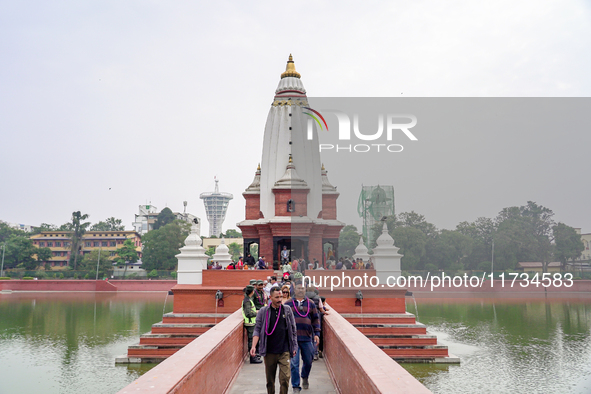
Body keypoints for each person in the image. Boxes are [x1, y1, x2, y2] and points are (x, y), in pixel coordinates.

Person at [251, 287, 298, 394]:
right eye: (277, 297)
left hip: (284, 350)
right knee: (270, 381)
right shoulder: (263, 311)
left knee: (285, 378)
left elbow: (293, 330)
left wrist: (294, 346)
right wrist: (253, 346)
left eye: (281, 296)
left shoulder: (287, 310)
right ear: (270, 298)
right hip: (269, 351)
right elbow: (257, 329)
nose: (279, 299)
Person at [284, 282, 320, 392]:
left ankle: (305, 376)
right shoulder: (288, 304)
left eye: (302, 288)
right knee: (294, 364)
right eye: (298, 288)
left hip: (307, 337)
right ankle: (296, 386)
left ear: (305, 290)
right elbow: (283, 320)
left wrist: (317, 334)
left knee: (308, 361)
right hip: (293, 340)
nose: (300, 290)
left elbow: (315, 319)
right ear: (295, 290)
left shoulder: (311, 304)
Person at [243, 285, 262, 364]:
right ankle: (253, 357)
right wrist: (256, 313)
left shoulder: (248, 299)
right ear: (252, 292)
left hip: (252, 323)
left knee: (254, 340)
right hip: (250, 323)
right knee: (251, 341)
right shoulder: (247, 301)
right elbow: (248, 313)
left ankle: (255, 355)